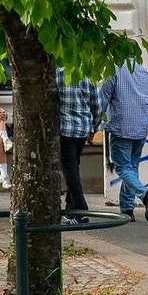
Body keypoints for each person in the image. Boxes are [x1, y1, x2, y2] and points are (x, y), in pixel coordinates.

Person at [99, 57, 148, 221]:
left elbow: (102, 101)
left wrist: (94, 126)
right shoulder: (147, 75)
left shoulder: (113, 71)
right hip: (140, 131)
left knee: (123, 168)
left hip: (121, 129)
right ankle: (127, 210)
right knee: (132, 169)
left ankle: (145, 194)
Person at [56, 67, 98, 222]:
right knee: (73, 167)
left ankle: (80, 208)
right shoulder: (87, 74)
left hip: (64, 129)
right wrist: (95, 127)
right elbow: (96, 105)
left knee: (70, 170)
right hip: (82, 129)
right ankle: (70, 208)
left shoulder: (56, 74)